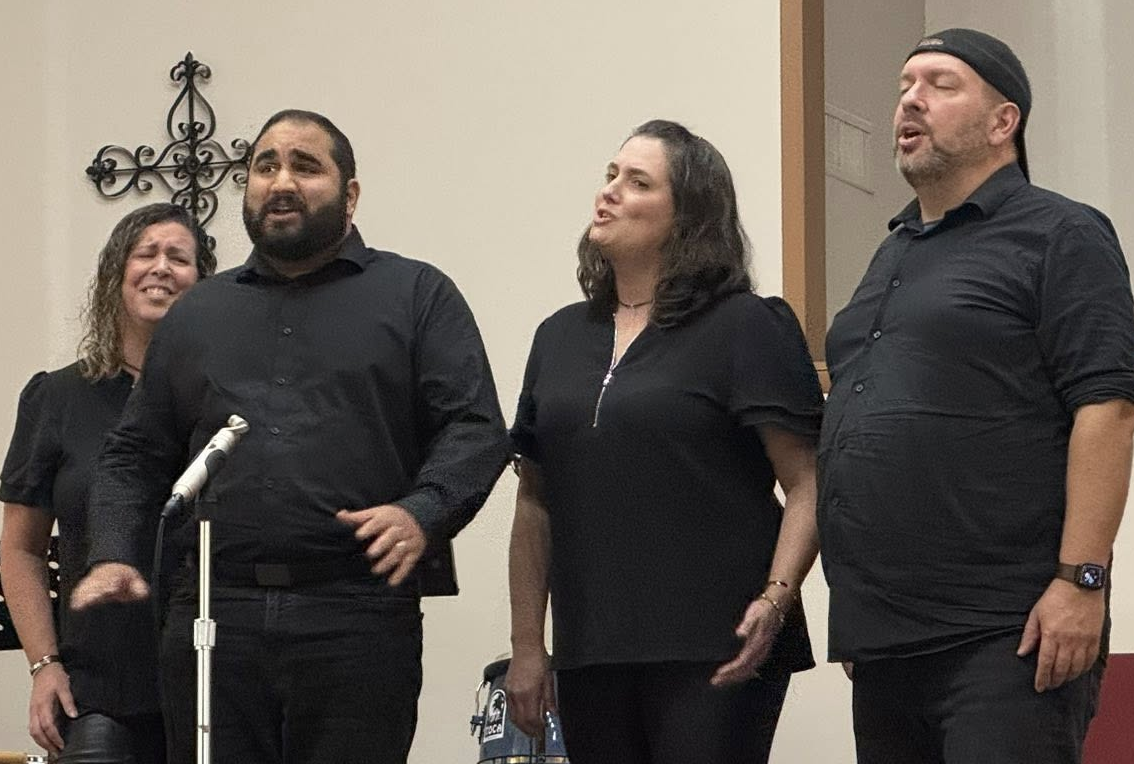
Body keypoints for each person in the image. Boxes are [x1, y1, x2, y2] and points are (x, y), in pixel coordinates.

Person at [69, 109, 510, 764]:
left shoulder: (416, 294)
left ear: (350, 194)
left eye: (305, 166)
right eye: (265, 166)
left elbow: (474, 426)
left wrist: (424, 512)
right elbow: (135, 452)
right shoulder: (198, 312)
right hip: (213, 613)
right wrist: (113, 551)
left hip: (355, 615)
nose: (281, 181)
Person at [818, 28, 1134, 764]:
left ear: (1003, 122)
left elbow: (1109, 410)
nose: (910, 100)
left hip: (1009, 631)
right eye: (904, 85)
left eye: (940, 84)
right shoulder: (892, 252)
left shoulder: (1062, 233)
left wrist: (1082, 581)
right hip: (885, 638)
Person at [506, 119, 823, 764]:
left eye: (638, 182)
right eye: (610, 175)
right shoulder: (558, 336)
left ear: (688, 217)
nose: (609, 191)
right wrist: (527, 647)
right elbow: (535, 500)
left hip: (720, 644)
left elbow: (808, 481)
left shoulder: (746, 325)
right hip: (591, 646)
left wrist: (776, 598)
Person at [0, 203, 214, 763]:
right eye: (146, 254)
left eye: (179, 258)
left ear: (203, 285)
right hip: (97, 688)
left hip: (216, 683)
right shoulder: (56, 398)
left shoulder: (221, 399)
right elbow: (19, 549)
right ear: (116, 274)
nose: (161, 267)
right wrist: (44, 665)